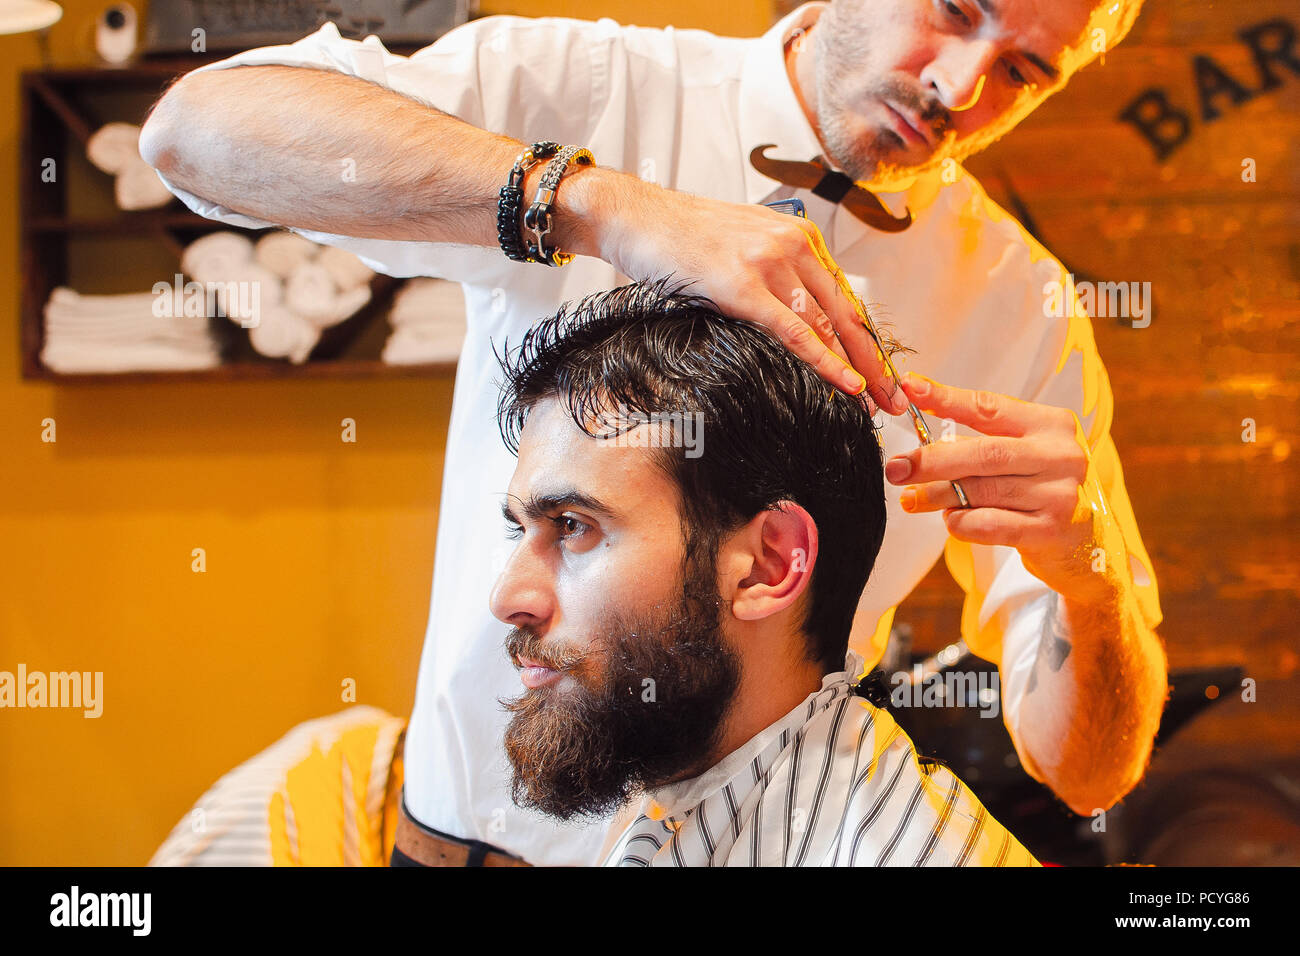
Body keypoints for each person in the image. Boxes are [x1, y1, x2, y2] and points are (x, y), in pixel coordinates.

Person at [140, 0, 1167, 866]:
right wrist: (595, 204)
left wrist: (1087, 581)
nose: (961, 84)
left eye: (1026, 71)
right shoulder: (589, 84)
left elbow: (1085, 769)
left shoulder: (1018, 306)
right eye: (954, 5)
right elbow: (195, 131)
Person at [491, 278, 1038, 866]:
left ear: (767, 565)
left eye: (573, 525)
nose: (507, 596)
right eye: (520, 529)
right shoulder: (685, 807)